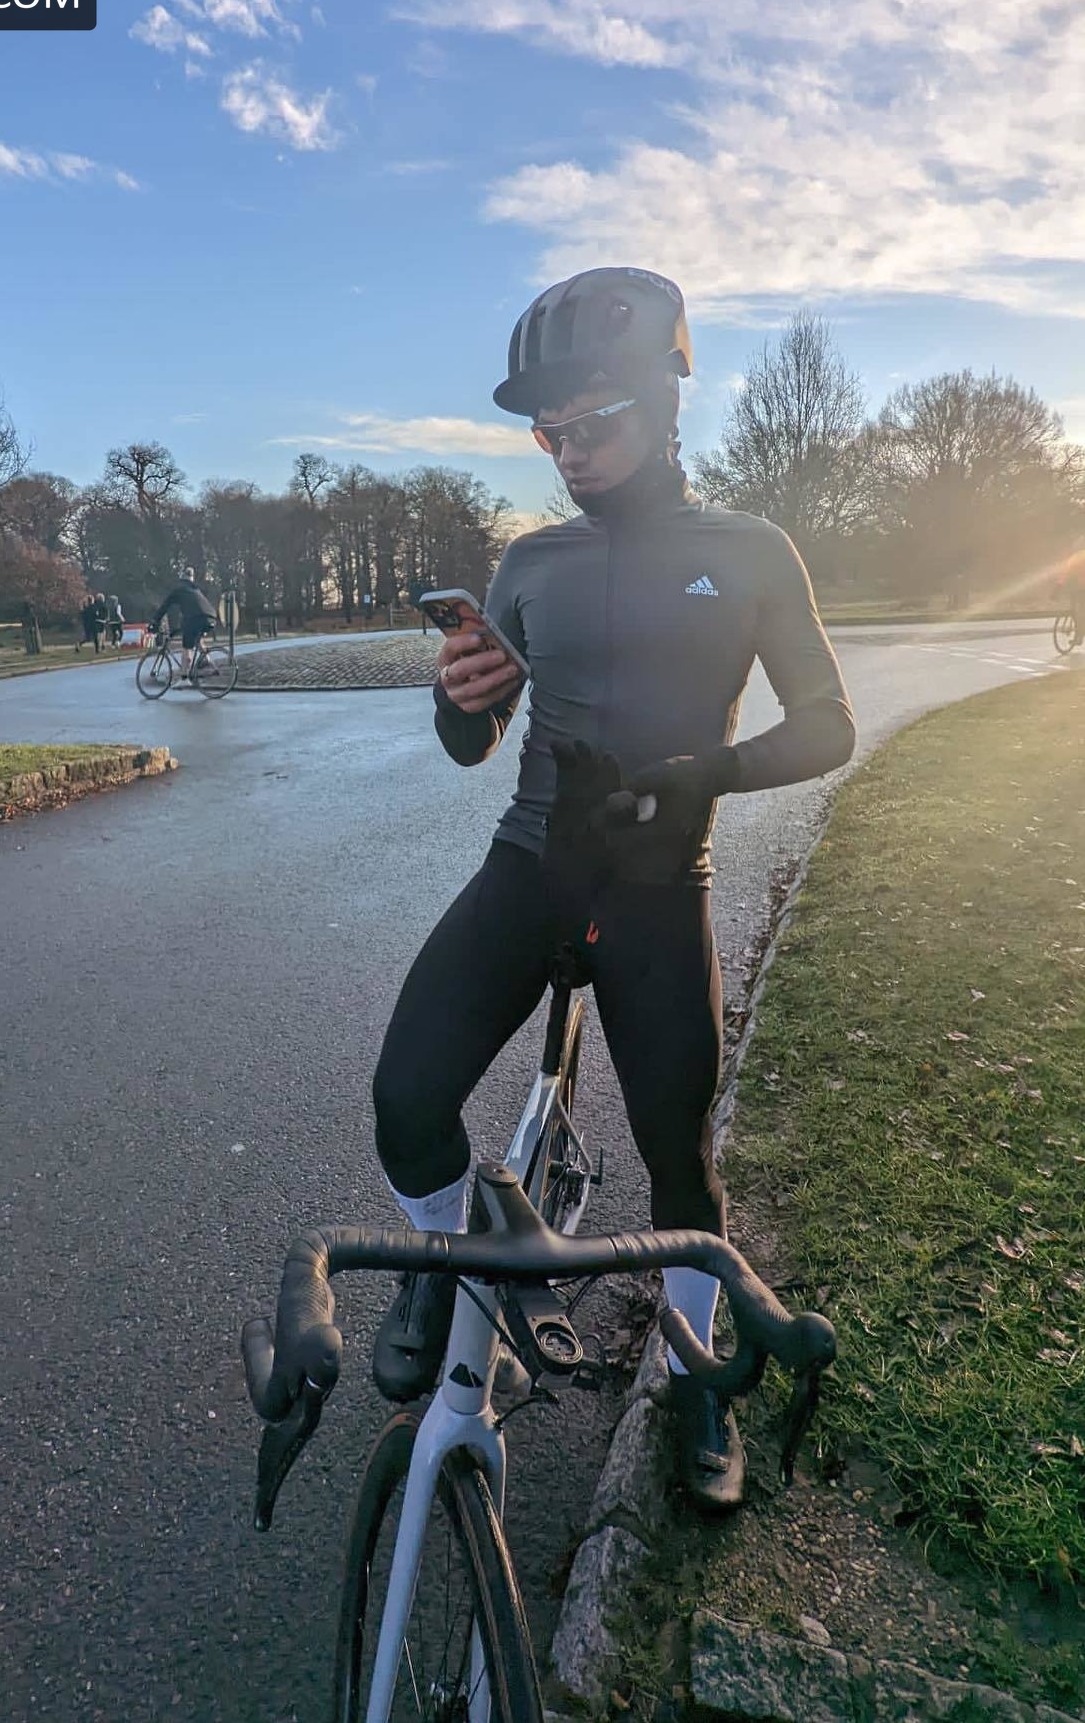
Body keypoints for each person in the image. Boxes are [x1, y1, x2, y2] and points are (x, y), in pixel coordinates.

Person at [370, 267, 856, 1511]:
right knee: (405, 1099)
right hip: (533, 865)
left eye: (594, 422)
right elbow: (475, 744)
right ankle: (451, 1260)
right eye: (550, 434)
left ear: (664, 400)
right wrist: (460, 699)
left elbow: (829, 725)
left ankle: (695, 1375)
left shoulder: (751, 551)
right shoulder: (530, 560)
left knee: (679, 1163)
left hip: (655, 884)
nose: (571, 451)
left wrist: (710, 774)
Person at [149, 567, 217, 677]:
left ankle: (184, 677)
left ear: (182, 578)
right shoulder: (196, 589)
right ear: (192, 578)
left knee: (186, 647)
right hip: (211, 617)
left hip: (195, 619)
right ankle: (209, 663)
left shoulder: (179, 589)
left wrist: (154, 620)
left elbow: (165, 606)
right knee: (197, 639)